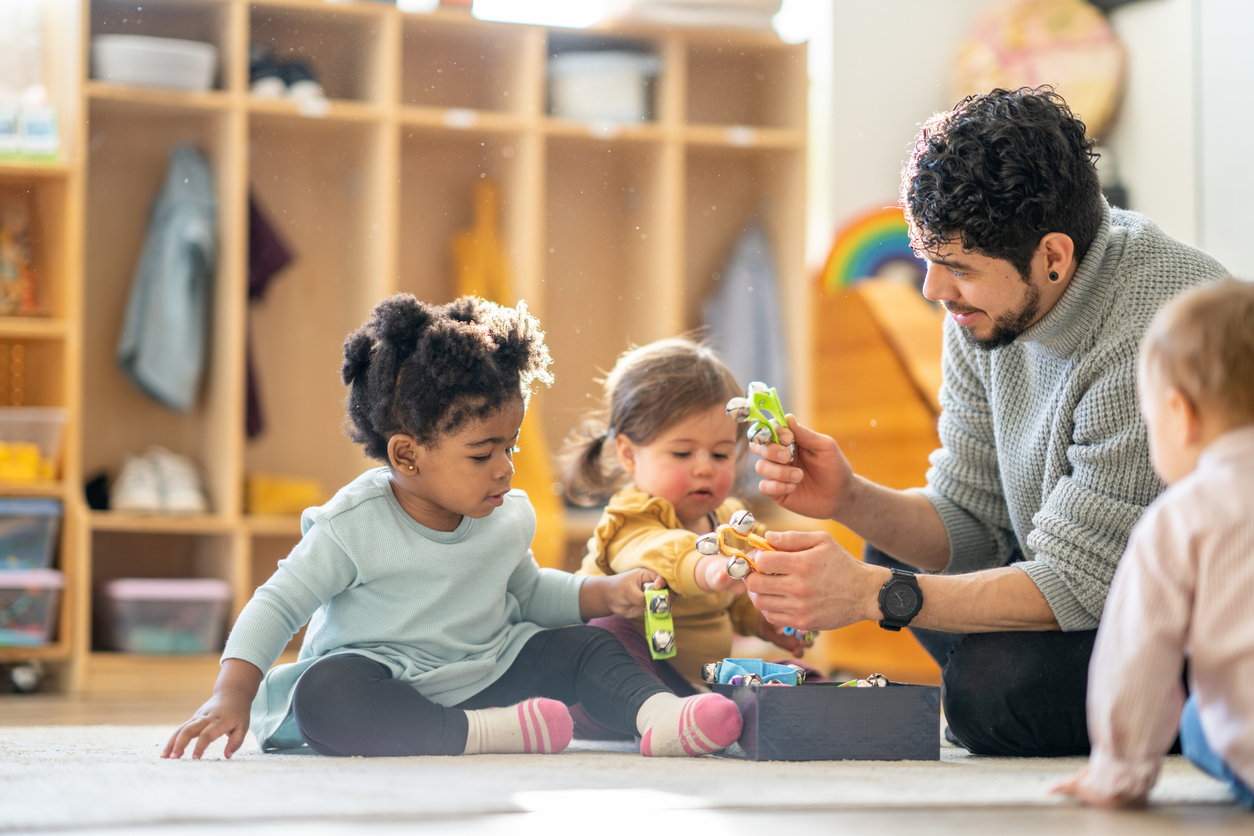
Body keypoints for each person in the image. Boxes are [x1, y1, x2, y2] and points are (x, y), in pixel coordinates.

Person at [744, 87, 1230, 757]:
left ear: (1053, 257)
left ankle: (1192, 716)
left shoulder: (1153, 333)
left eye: (958, 269)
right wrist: (848, 498)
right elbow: (973, 514)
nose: (933, 292)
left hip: (1193, 621)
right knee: (891, 550)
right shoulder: (984, 310)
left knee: (991, 692)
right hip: (1088, 582)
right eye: (928, 260)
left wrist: (867, 598)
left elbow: (1078, 581)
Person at [161, 295, 743, 760]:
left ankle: (662, 716)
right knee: (326, 697)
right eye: (482, 453)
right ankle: (487, 733)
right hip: (389, 681)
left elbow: (529, 592)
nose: (506, 468)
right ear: (408, 456)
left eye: (509, 446)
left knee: (589, 646)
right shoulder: (351, 526)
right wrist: (231, 696)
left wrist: (602, 593)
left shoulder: (506, 512)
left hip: (488, 667)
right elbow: (276, 605)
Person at [1053, 280, 1254, 808]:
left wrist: (1119, 768)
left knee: (1198, 718)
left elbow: (1136, 652)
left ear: (1180, 415)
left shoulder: (1183, 515)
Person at [563, 338, 811, 735]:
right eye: (682, 453)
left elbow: (739, 596)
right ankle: (662, 715)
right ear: (629, 454)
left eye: (719, 454)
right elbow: (658, 551)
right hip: (607, 688)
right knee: (608, 630)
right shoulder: (628, 517)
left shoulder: (731, 520)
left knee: (794, 675)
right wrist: (705, 567)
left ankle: (758, 713)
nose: (704, 469)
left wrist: (765, 619)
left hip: (694, 684)